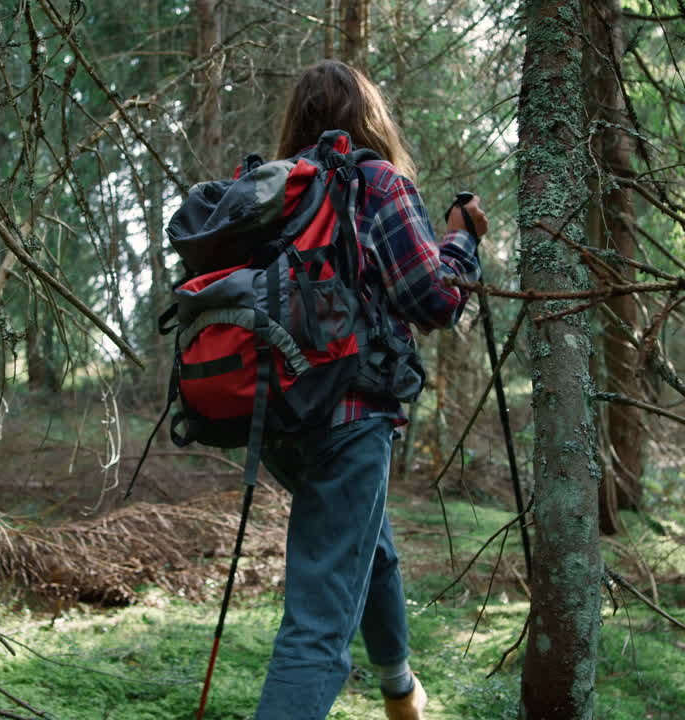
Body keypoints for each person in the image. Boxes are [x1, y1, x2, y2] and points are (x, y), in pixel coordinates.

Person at [252, 60, 487, 720]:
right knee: (318, 632)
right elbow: (433, 299)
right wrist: (461, 242)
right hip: (348, 416)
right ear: (369, 118)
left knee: (366, 543)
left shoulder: (269, 190)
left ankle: (399, 690)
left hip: (273, 418)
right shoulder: (375, 181)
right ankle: (381, 690)